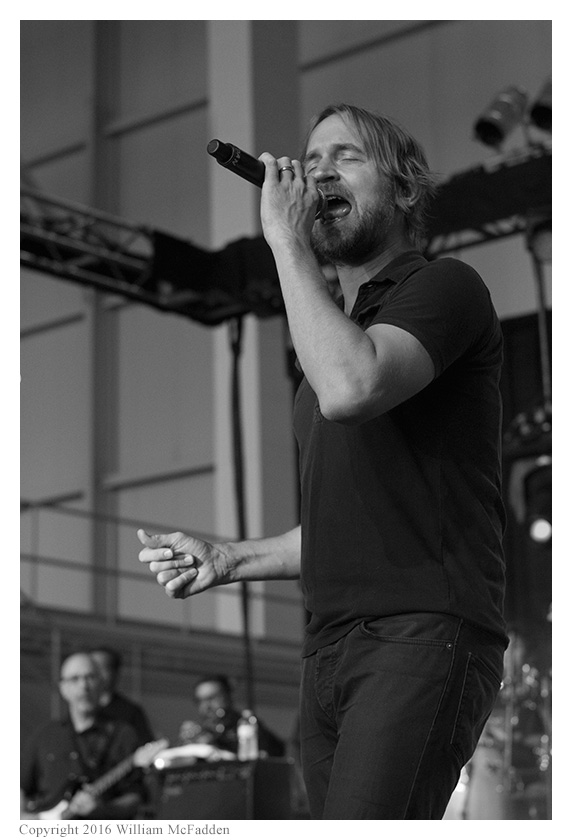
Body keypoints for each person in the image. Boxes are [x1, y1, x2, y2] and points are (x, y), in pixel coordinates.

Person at [137, 103, 508, 819]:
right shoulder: (329, 344)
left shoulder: (445, 287)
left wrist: (283, 240)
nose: (318, 175)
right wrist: (232, 558)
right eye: (311, 163)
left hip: (420, 632)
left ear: (404, 189)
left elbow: (352, 387)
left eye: (346, 157)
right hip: (328, 650)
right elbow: (348, 525)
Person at [21, 651, 144, 820]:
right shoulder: (45, 735)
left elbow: (136, 797)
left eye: (90, 677)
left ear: (102, 684)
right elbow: (20, 787)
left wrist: (103, 809)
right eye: (74, 679)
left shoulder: (123, 734)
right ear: (63, 688)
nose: (84, 686)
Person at [178, 674, 285, 758]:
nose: (206, 706)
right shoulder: (201, 732)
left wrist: (215, 745)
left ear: (228, 696)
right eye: (200, 701)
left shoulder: (247, 725)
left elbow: (276, 751)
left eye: (211, 698)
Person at [89, 646, 155, 747]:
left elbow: (145, 746)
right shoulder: (79, 709)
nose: (96, 674)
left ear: (115, 673)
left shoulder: (130, 712)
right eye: (92, 668)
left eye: (102, 668)